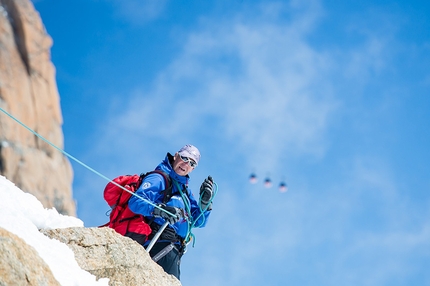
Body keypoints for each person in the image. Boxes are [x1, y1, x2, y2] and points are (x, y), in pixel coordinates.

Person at [127, 144, 214, 280]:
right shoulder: (159, 178)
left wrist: (205, 204)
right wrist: (160, 210)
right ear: (176, 155)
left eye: (192, 163)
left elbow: (199, 222)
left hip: (174, 250)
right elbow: (135, 203)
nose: (186, 164)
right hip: (157, 243)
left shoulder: (184, 191)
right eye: (185, 158)